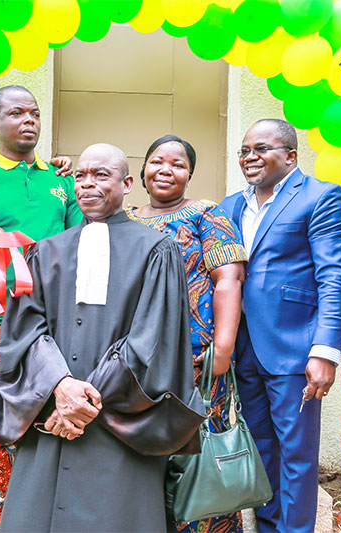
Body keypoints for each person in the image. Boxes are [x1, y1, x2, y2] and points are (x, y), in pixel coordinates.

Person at [0, 143, 206, 532]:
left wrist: (82, 403)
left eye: (101, 175)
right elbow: (25, 331)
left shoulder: (157, 250)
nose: (87, 184)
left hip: (120, 416)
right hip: (52, 411)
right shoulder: (48, 251)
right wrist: (61, 386)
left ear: (127, 183)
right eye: (80, 175)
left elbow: (152, 339)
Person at [0, 84, 80, 531]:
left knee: (55, 427)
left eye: (35, 113)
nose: (29, 121)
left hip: (56, 328)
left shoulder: (62, 181)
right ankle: (3, 524)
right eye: (16, 113)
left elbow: (79, 249)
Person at [219, 119, 341, 533]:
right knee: (260, 450)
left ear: (291, 156)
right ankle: (266, 526)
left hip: (296, 349)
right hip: (245, 350)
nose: (249, 157)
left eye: (261, 149)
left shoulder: (320, 196)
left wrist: (325, 350)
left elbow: (335, 275)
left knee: (296, 454)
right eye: (244, 150)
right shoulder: (231, 206)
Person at [127, 134, 246, 533]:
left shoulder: (205, 213)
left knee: (199, 452)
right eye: (157, 161)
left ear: (189, 175)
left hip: (196, 359)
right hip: (135, 364)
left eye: (177, 164)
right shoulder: (123, 219)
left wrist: (224, 347)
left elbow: (228, 278)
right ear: (141, 171)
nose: (166, 169)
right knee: (141, 452)